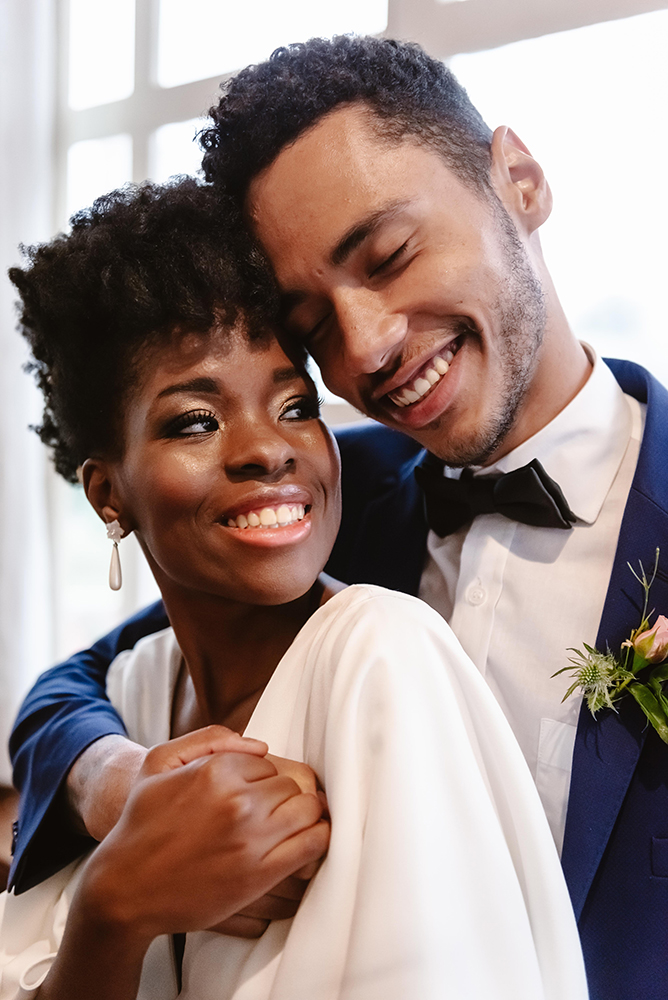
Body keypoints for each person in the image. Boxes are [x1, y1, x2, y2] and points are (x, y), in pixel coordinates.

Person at [8, 34, 668, 999]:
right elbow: (83, 683)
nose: (364, 351)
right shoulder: (324, 497)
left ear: (519, 181)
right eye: (312, 325)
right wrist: (119, 787)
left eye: (390, 255)